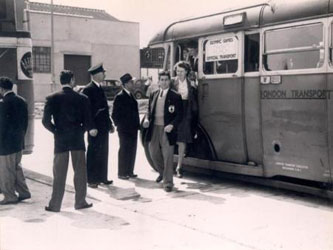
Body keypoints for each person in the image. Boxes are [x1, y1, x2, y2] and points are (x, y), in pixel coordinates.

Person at [42, 70, 93, 212]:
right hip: (77, 139)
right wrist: (80, 130)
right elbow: (88, 121)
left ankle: (55, 205)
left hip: (61, 140)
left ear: (61, 81)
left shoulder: (51, 98)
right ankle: (80, 202)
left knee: (59, 173)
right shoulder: (82, 98)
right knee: (80, 172)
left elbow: (45, 122)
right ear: (71, 80)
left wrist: (56, 131)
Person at [142, 71, 183, 192]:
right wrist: (147, 119)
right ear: (158, 81)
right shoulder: (154, 94)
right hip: (154, 128)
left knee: (168, 155)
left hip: (167, 129)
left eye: (166, 79)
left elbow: (180, 115)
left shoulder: (175, 96)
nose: (164, 82)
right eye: (162, 80)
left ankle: (168, 183)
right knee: (153, 152)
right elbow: (149, 111)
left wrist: (172, 125)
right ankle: (162, 172)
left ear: (169, 81)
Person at [82, 63, 114, 188]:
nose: (104, 74)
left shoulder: (100, 88)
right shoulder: (88, 89)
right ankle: (91, 179)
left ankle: (102, 177)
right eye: (103, 72)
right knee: (93, 152)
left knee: (103, 151)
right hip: (94, 128)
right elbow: (86, 111)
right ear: (96, 74)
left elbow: (104, 109)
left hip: (103, 127)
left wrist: (110, 124)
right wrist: (90, 127)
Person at [0, 76, 31, 205]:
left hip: (6, 143)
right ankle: (24, 192)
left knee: (6, 170)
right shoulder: (22, 101)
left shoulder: (3, 103)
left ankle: (9, 196)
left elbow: (2, 126)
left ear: (1, 89)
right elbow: (25, 123)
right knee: (17, 167)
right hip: (18, 141)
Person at [172, 61, 198, 178]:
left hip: (185, 112)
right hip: (173, 112)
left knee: (182, 140)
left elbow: (193, 99)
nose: (179, 73)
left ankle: (179, 167)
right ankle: (167, 165)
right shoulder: (172, 82)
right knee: (171, 138)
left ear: (186, 72)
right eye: (177, 71)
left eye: (181, 71)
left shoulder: (191, 84)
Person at [112, 73, 140, 180]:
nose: (133, 84)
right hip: (124, 129)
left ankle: (129, 171)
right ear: (125, 84)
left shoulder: (131, 95)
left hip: (133, 129)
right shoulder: (120, 97)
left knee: (132, 149)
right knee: (124, 149)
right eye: (131, 82)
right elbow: (114, 114)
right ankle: (122, 172)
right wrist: (120, 125)